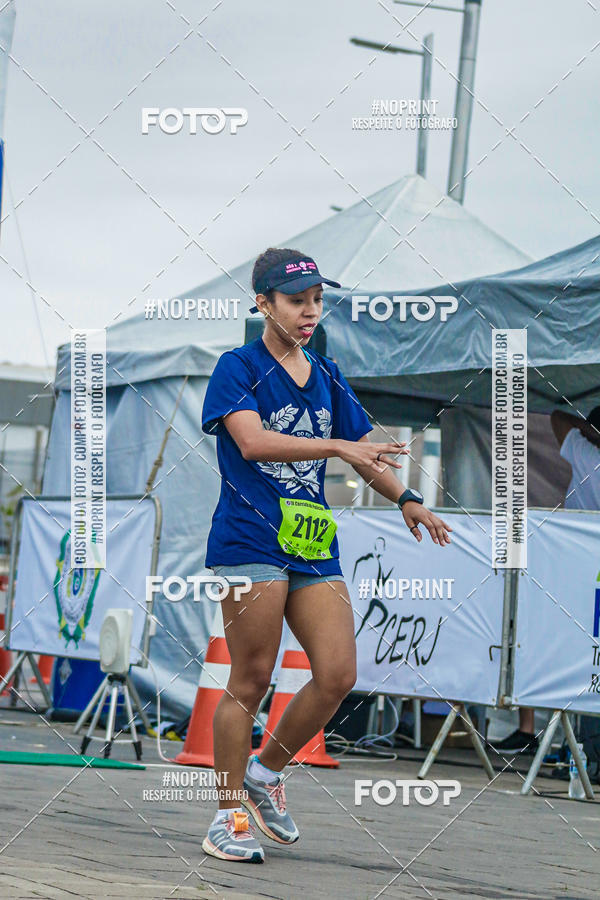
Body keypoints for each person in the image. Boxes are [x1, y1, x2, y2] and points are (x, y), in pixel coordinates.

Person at [200, 247, 452, 864]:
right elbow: (254, 443)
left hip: (311, 543)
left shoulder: (328, 373)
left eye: (317, 300)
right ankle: (226, 814)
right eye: (296, 301)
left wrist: (408, 498)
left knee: (338, 673)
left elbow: (366, 450)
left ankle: (264, 776)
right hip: (251, 538)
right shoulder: (237, 367)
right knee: (250, 679)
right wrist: (336, 445)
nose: (310, 311)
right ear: (263, 304)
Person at [490, 406, 600, 756]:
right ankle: (567, 738)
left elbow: (557, 416)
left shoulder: (585, 449)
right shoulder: (586, 450)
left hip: (570, 561)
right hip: (575, 562)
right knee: (563, 640)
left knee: (543, 633)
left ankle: (536, 730)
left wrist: (586, 428)